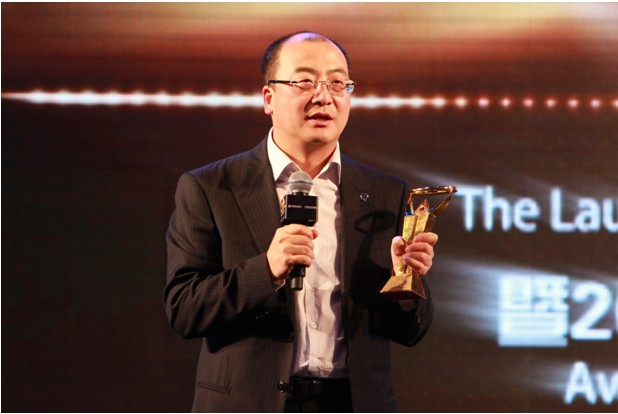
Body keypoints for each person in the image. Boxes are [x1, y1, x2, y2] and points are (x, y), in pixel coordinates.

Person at [165, 31, 438, 412]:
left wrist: (405, 282)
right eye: (305, 82)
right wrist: (266, 270)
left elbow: (411, 331)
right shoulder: (212, 187)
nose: (323, 96)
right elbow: (184, 309)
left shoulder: (385, 193)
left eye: (338, 83)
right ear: (268, 98)